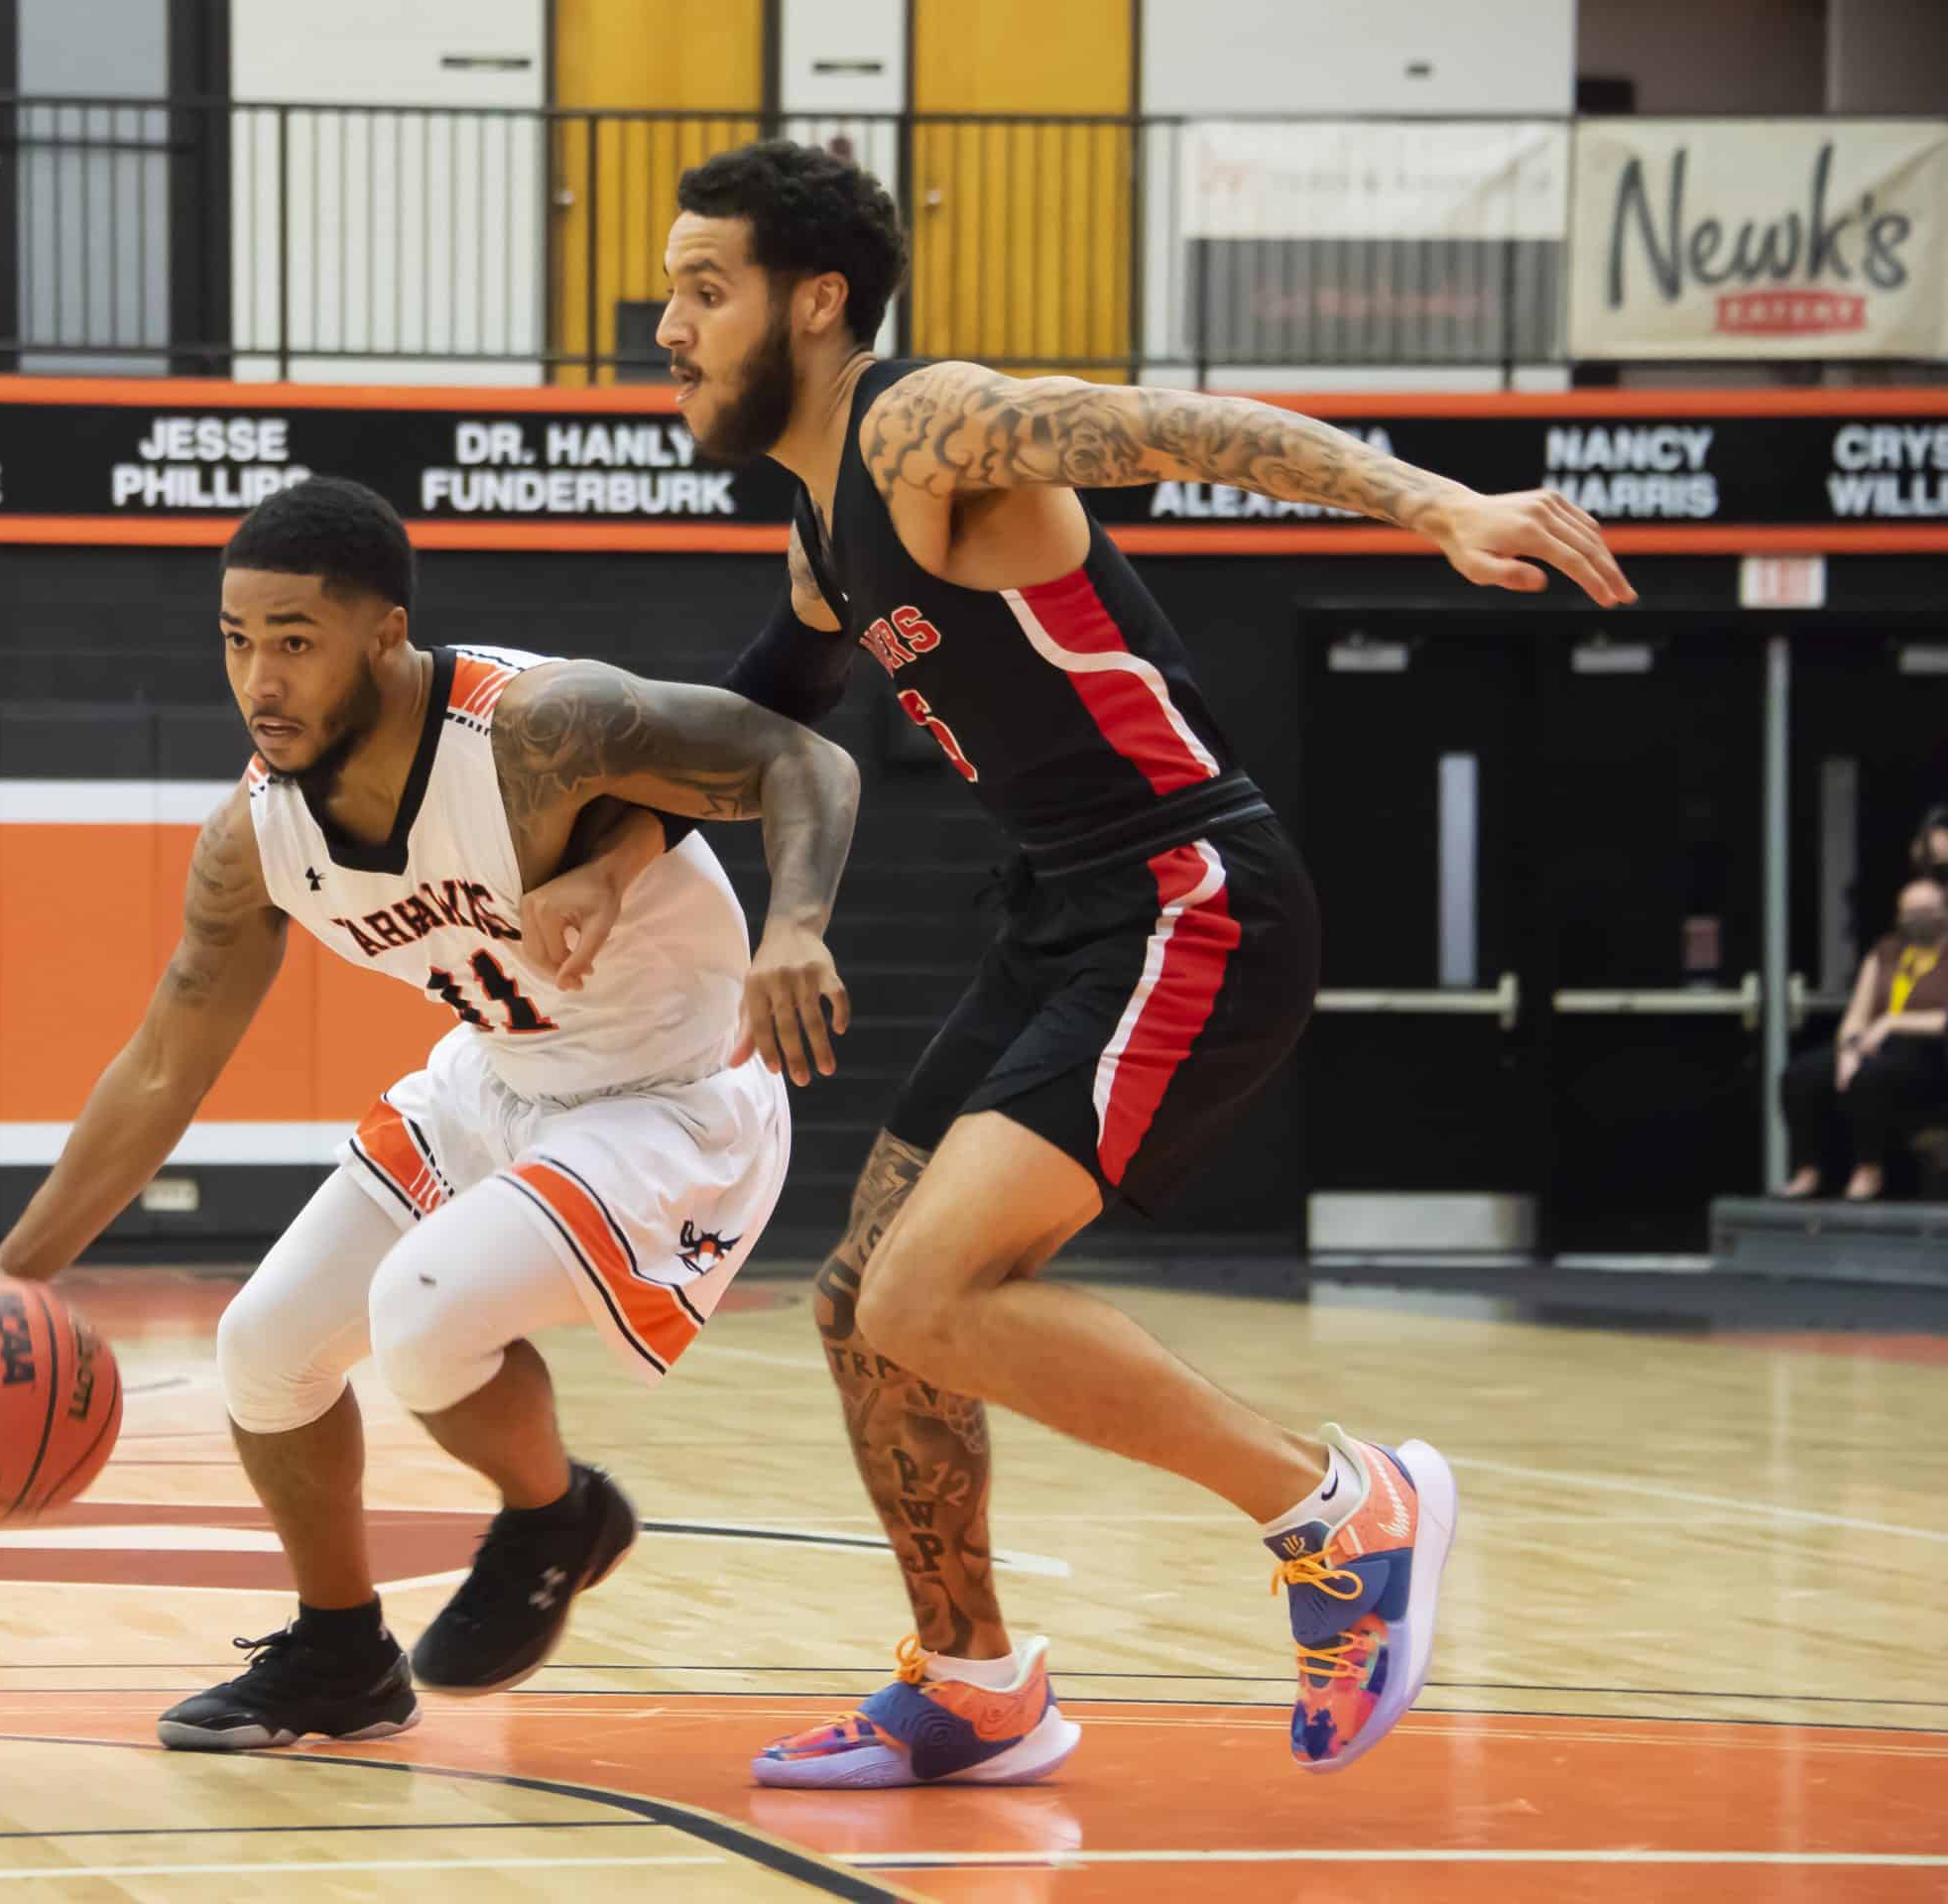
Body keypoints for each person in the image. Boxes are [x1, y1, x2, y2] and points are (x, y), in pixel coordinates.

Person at [516, 141, 1638, 1786]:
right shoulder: (825, 525)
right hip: (1062, 911)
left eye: (704, 289)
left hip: (1190, 893)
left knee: (932, 1291)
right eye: (670, 290)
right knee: (864, 1315)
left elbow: (1181, 430)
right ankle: (972, 1682)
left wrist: (1432, 502)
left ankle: (1340, 1509)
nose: (667, 327)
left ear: (815, 303)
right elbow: (776, 705)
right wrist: (608, 864)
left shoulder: (921, 423)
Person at [0, 477, 859, 1750]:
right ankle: (340, 1655)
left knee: (422, 1313)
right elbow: (166, 1064)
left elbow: (800, 755)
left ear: (384, 633)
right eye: (237, 641)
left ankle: (556, 1515)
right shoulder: (256, 838)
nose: (259, 680)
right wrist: (11, 1278)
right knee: (264, 1349)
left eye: (295, 640)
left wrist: (796, 929)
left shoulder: (534, 730)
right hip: (499, 1079)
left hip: (673, 1091)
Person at [1783, 875, 1948, 1202]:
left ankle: (1868, 1170)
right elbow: (1858, 1014)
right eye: (1910, 911)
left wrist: (1892, 1021)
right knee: (1802, 1074)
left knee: (1870, 1078)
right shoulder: (1884, 952)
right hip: (1875, 1048)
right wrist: (1847, 1050)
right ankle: (1807, 1171)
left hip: (1931, 1053)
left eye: (1926, 910)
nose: (1918, 918)